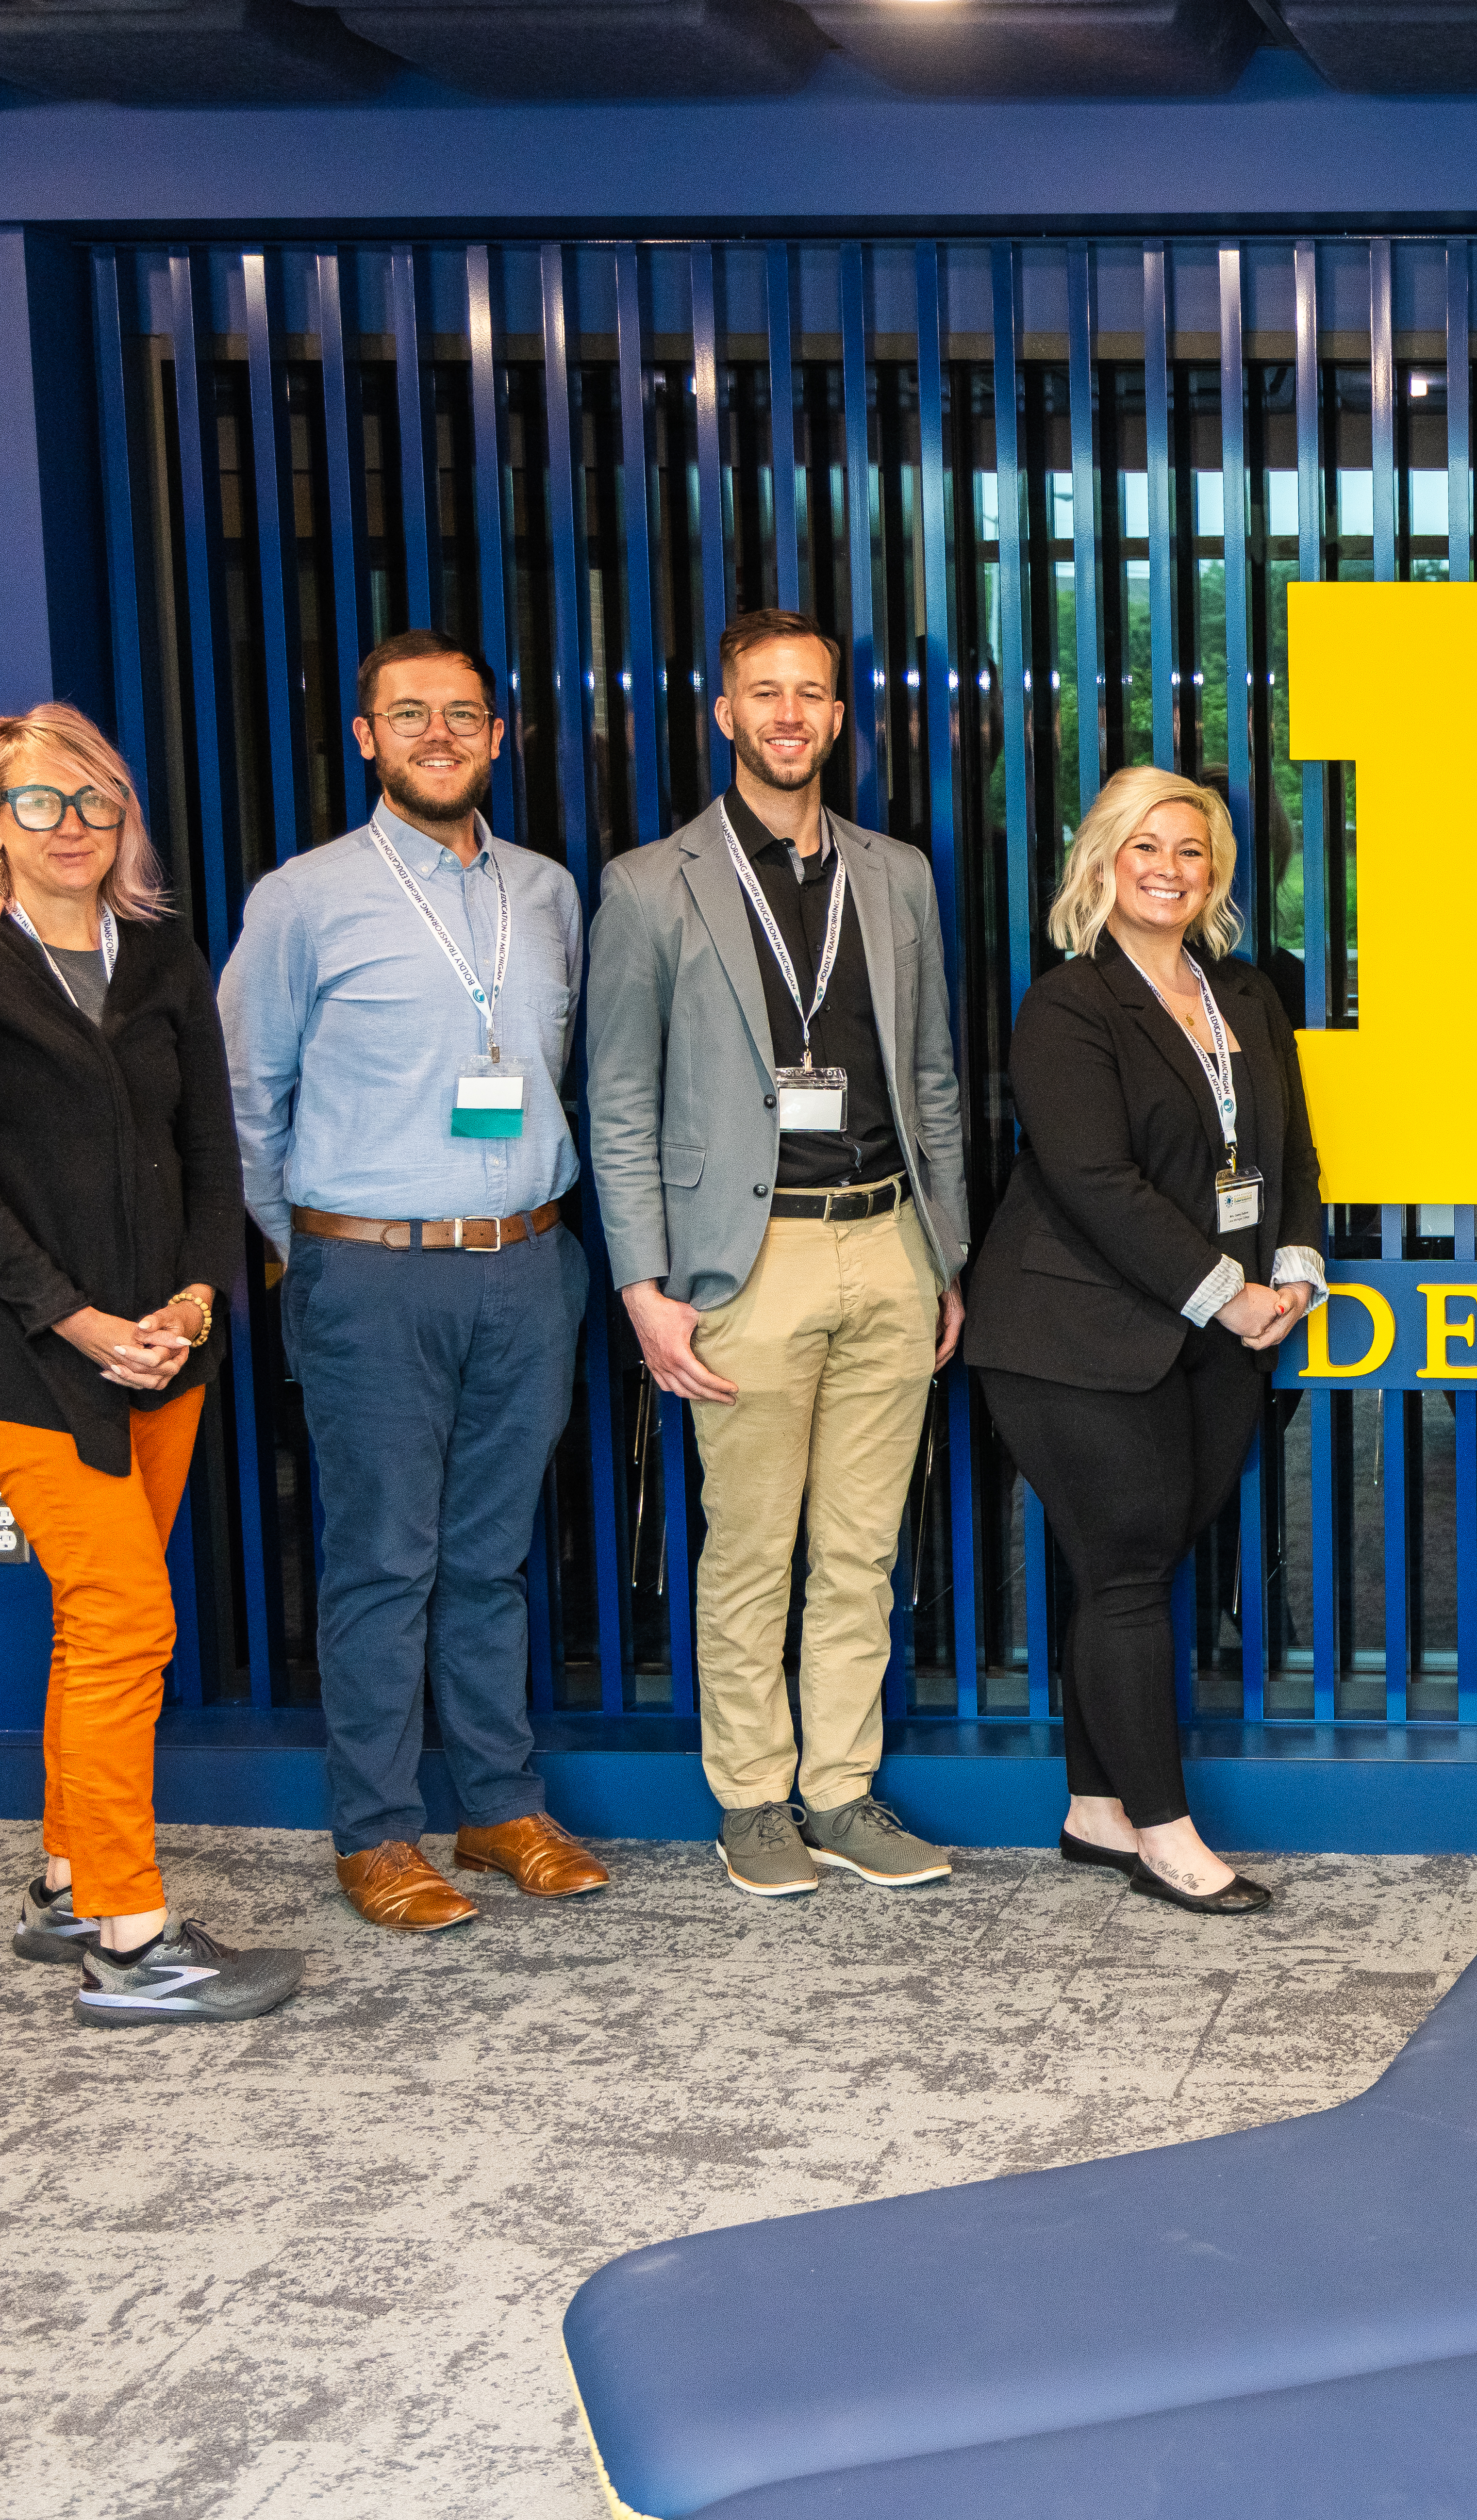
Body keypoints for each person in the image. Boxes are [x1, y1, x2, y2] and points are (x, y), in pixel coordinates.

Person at [0, 705, 298, 2025]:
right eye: (39, 803)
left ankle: (66, 1881)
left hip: (163, 1344)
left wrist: (189, 1297)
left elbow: (209, 1148)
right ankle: (129, 1940)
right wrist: (77, 1320)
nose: (70, 827)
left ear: (125, 822)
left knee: (95, 1623)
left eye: (94, 803)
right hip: (21, 1352)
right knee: (128, 1620)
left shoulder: (163, 955)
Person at [224, 627, 610, 1933]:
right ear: (365, 737)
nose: (439, 734)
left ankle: (498, 1806)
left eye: (463, 714)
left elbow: (552, 1070)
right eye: (410, 715)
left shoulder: (549, 893)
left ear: (502, 735)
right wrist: (312, 1243)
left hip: (528, 1265)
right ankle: (376, 1832)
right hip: (370, 1276)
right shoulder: (303, 898)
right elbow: (243, 1096)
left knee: (492, 1560)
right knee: (385, 1560)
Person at [589, 609, 970, 1901]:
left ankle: (842, 1792)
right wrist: (643, 1286)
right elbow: (622, 1097)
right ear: (726, 714)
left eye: (812, 692)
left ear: (840, 717)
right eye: (767, 692)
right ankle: (752, 1799)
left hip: (889, 1245)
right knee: (750, 1547)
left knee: (862, 1549)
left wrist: (947, 1256)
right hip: (743, 1265)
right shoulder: (651, 883)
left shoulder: (899, 873)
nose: (791, 714)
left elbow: (930, 1076)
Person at [963, 767, 1322, 1917]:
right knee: (1124, 1571)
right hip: (1073, 1331)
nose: (1170, 870)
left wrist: (1298, 1270)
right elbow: (1094, 1181)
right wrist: (1227, 1293)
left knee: (1141, 1566)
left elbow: (1290, 1149)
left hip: (1218, 1329)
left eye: (1193, 851)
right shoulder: (1069, 1004)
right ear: (1102, 863)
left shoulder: (1246, 996)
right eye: (1146, 848)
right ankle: (1165, 1832)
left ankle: (1092, 1807)